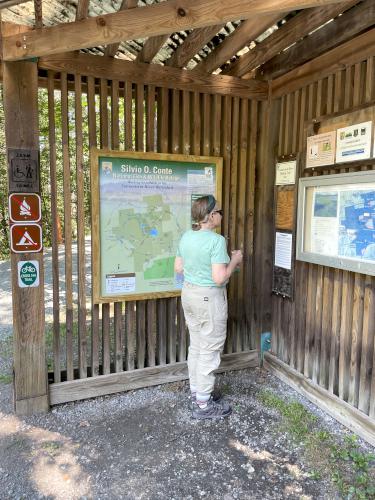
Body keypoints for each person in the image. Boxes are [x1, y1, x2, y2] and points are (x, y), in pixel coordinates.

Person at [174, 195, 243, 420]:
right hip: (208, 298)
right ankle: (203, 404)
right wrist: (235, 260)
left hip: (189, 294)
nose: (221, 215)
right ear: (211, 215)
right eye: (219, 212)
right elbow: (219, 278)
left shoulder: (186, 237)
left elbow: (178, 268)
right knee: (210, 348)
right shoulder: (216, 241)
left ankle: (196, 391)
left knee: (196, 344)